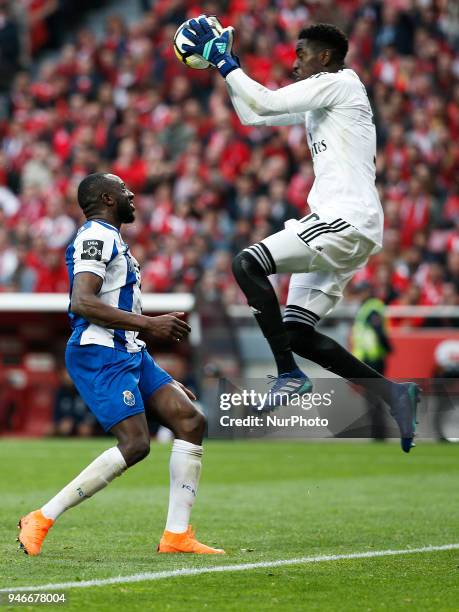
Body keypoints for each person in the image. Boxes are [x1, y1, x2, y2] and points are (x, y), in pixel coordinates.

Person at [182, 19, 419, 452]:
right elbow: (254, 114)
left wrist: (225, 60)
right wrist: (224, 68)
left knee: (246, 263)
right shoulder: (323, 100)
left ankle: (288, 374)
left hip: (343, 218)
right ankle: (393, 394)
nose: (295, 64)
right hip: (346, 225)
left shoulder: (341, 83)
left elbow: (267, 100)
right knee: (296, 331)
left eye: (301, 54)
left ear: (324, 57)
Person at [17, 172, 224, 556]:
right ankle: (41, 517)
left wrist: (152, 361)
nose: (131, 194)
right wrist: (152, 323)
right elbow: (83, 301)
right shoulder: (96, 236)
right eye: (124, 190)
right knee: (136, 443)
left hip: (129, 350)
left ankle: (176, 536)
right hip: (100, 352)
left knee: (190, 421)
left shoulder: (114, 238)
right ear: (107, 199)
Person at [351, 282, 393, 440]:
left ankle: (379, 434)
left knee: (373, 397)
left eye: (362, 291)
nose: (360, 294)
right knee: (372, 397)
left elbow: (378, 331)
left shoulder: (372, 307)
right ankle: (378, 433)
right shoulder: (368, 307)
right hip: (370, 359)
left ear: (369, 290)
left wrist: (387, 347)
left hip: (373, 359)